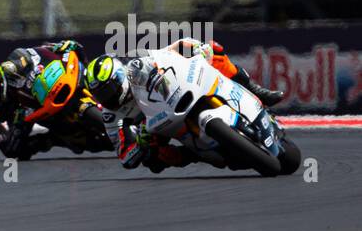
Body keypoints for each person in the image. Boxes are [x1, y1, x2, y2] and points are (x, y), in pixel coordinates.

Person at [83, 39, 285, 172]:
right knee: (153, 160)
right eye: (101, 95)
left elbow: (170, 50)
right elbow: (125, 156)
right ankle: (195, 155)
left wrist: (195, 47)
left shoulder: (136, 67)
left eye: (110, 90)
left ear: (121, 77)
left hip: (173, 94)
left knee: (215, 52)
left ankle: (256, 90)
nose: (108, 97)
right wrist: (139, 144)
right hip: (156, 124)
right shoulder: (111, 116)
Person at [0, 39, 93, 159]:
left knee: (75, 50)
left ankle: (93, 84)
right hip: (21, 117)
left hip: (40, 95)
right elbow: (5, 145)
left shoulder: (13, 65)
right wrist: (16, 125)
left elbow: (37, 53)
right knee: (13, 151)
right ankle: (52, 140)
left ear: (0, 83)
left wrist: (57, 47)